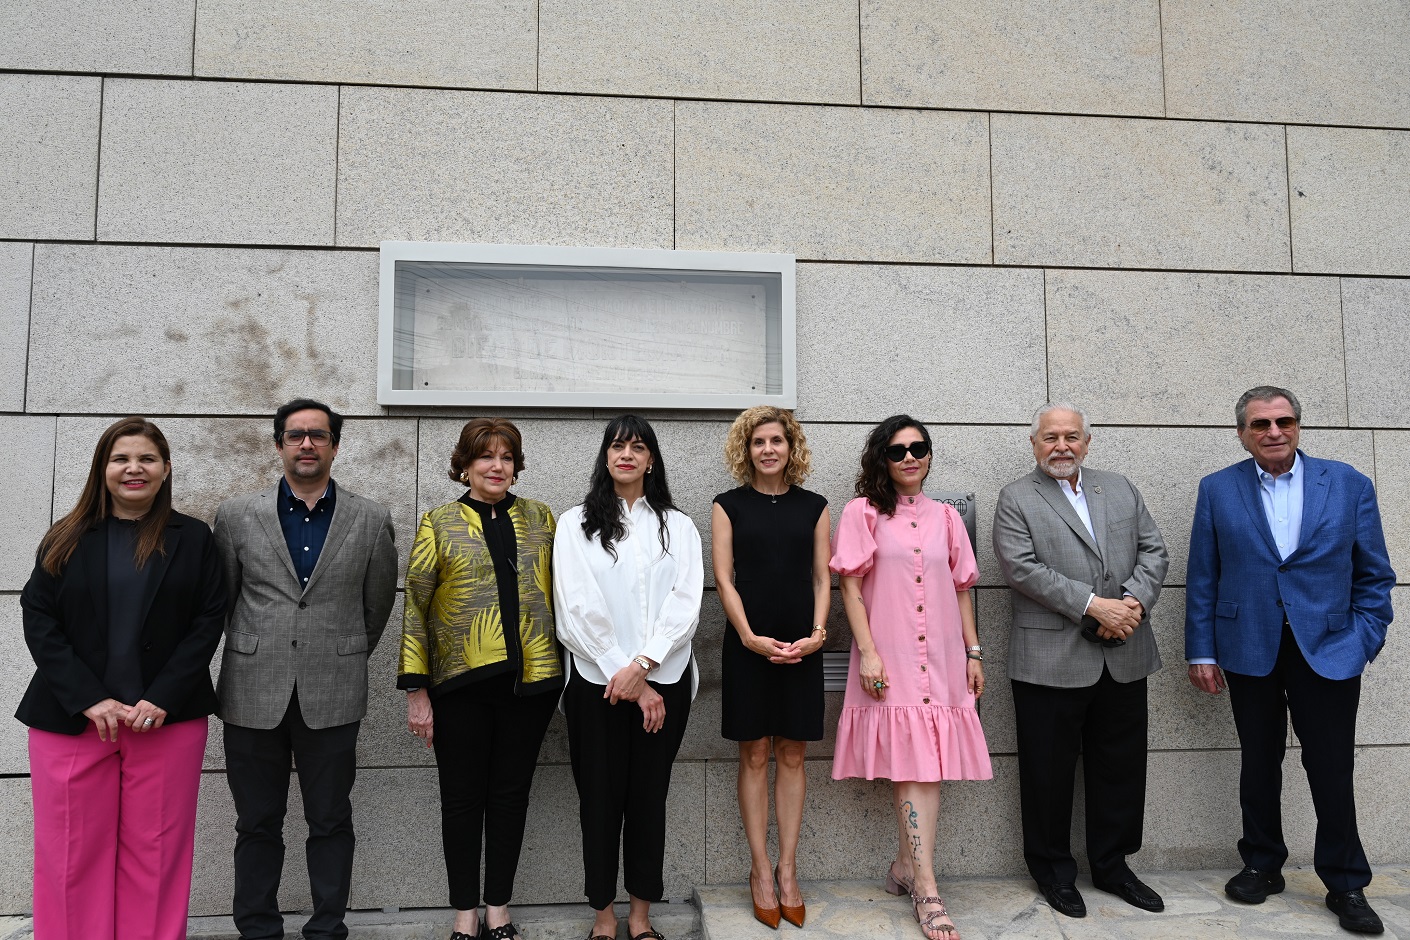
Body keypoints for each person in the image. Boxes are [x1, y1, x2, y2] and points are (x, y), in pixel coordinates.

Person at [1185, 386, 1395, 936]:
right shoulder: (1217, 488)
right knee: (1259, 761)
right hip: (1247, 645)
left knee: (1331, 767)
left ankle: (1345, 882)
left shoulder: (1347, 483)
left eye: (1284, 421)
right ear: (1242, 434)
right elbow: (1203, 576)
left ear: (1299, 426)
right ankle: (1262, 863)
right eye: (1260, 424)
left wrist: (1363, 638)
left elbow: (1374, 575)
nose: (1274, 432)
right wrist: (1202, 650)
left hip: (1328, 648)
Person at [18, 417, 226, 940]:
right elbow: (38, 618)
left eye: (147, 459)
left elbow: (208, 622)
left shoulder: (194, 538)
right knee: (69, 855)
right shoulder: (66, 535)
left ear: (166, 468)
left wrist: (162, 696)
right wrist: (90, 698)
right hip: (72, 719)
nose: (134, 468)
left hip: (165, 720)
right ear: (103, 468)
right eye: (121, 459)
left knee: (157, 854)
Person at [213, 398, 398, 940]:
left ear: (335, 446)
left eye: (319, 435)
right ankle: (257, 929)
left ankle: (326, 929)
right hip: (252, 690)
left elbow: (377, 606)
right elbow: (223, 600)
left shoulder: (370, 518)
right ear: (279, 445)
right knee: (256, 823)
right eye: (296, 435)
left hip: (333, 691)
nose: (307, 444)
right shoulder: (236, 515)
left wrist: (340, 653)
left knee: (331, 819)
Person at [991, 403, 1168, 919]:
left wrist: (1131, 604)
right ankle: (1052, 871)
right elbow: (1021, 568)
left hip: (1125, 650)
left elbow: (1154, 551)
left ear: (1087, 442)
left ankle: (1113, 866)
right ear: (1034, 444)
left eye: (1071, 436)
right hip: (1050, 659)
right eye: (1050, 437)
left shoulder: (1120, 488)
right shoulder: (1017, 497)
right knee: (1047, 772)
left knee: (1121, 767)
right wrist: (1095, 606)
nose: (1061, 446)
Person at [399, 418, 563, 940]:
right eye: (485, 456)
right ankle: (464, 914)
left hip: (530, 686)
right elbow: (416, 606)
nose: (497, 466)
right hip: (460, 687)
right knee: (462, 800)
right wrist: (417, 690)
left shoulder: (541, 517)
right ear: (465, 465)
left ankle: (498, 909)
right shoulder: (438, 522)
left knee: (511, 797)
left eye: (506, 457)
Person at [830, 414, 990, 940]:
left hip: (941, 659)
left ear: (928, 454)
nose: (909, 458)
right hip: (891, 658)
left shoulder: (946, 517)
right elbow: (850, 588)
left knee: (926, 765)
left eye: (918, 448)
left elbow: (962, 589)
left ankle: (904, 867)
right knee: (915, 767)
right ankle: (926, 887)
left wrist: (973, 653)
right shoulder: (862, 512)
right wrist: (869, 654)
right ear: (882, 458)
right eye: (897, 450)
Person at [552, 415, 703, 940]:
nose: (626, 455)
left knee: (647, 802)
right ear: (605, 457)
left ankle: (640, 918)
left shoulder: (678, 527)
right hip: (596, 685)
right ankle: (603, 917)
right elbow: (576, 606)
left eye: (638, 447)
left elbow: (686, 604)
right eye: (617, 446)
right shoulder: (575, 524)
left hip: (666, 682)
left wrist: (643, 667)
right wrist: (624, 671)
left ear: (651, 459)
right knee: (598, 801)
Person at [712, 406, 830, 929]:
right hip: (748, 644)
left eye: (776, 440)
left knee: (794, 752)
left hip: (803, 646)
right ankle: (760, 869)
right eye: (758, 441)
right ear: (747, 449)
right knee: (756, 752)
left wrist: (818, 636)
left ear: (790, 446)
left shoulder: (815, 506)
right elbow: (724, 579)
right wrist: (748, 638)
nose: (767, 449)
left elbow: (823, 578)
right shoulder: (728, 505)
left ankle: (788, 870)